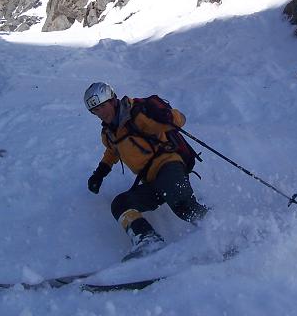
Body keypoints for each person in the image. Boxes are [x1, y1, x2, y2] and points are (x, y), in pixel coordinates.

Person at [84, 82, 208, 259]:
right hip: (152, 181)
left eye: (103, 106)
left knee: (182, 205)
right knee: (120, 204)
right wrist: (100, 173)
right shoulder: (109, 133)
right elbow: (112, 152)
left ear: (112, 101)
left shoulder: (137, 115)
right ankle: (149, 242)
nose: (101, 113)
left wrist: (167, 116)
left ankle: (222, 229)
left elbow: (179, 120)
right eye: (95, 110)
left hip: (169, 165)